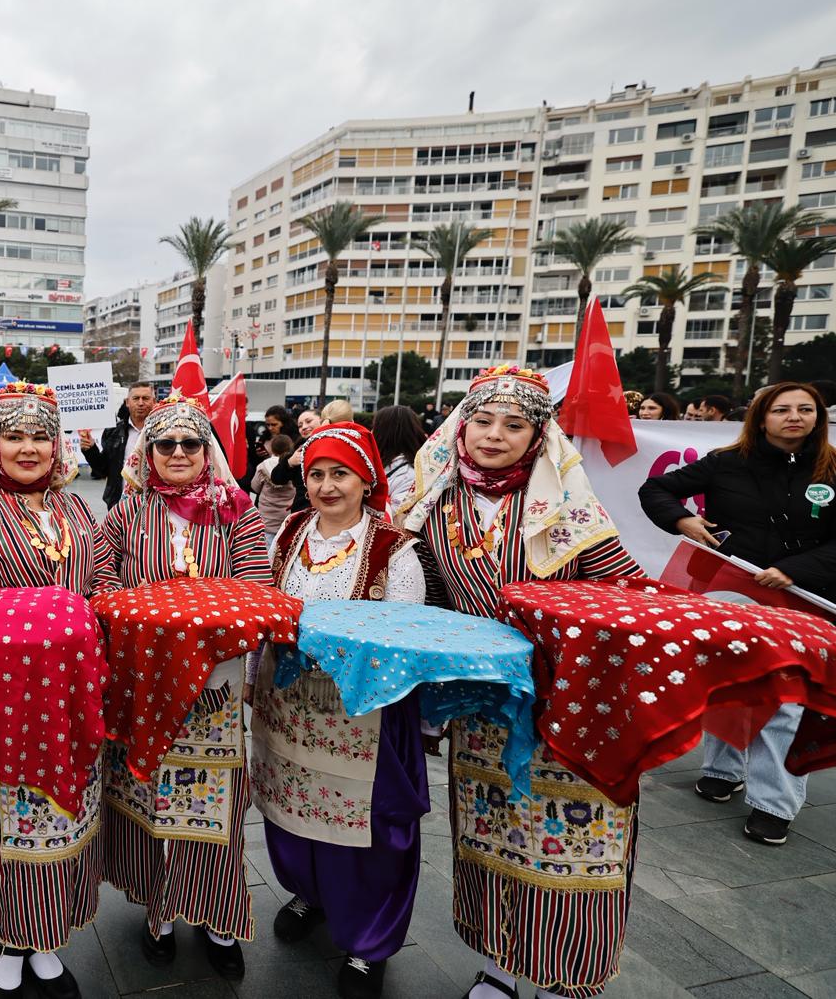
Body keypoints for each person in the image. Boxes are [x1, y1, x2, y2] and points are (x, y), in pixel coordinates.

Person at [402, 364, 643, 999]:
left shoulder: (568, 505)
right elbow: (426, 592)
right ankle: (501, 966)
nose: (493, 435)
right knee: (491, 828)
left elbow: (623, 595)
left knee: (574, 837)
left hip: (569, 700)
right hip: (483, 698)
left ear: (538, 437)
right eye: (481, 420)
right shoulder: (440, 500)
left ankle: (567, 977)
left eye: (513, 425)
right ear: (461, 424)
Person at [94, 392, 270, 982]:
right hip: (143, 677)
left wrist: (222, 644)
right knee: (149, 796)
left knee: (215, 801)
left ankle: (219, 920)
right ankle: (160, 914)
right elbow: (101, 580)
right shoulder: (125, 512)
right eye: (163, 444)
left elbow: (256, 588)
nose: (175, 453)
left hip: (215, 683)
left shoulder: (237, 511)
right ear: (147, 451)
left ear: (207, 451)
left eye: (189, 443)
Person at [0, 381, 103, 999]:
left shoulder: (77, 509)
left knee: (68, 823)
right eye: (14, 436)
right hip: (7, 704)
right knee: (20, 823)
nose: (28, 448)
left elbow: (101, 586)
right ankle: (9, 937)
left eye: (40, 436)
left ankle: (44, 939)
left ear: (56, 445)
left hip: (73, 695)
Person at [254, 422, 430, 999]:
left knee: (369, 827)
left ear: (367, 480)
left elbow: (401, 635)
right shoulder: (291, 531)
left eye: (341, 474)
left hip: (364, 709)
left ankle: (369, 941)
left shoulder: (394, 548)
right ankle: (313, 894)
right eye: (317, 475)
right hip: (292, 703)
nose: (327, 487)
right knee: (295, 807)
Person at [638, 380, 836, 846]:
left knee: (787, 701)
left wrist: (792, 570)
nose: (794, 417)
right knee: (726, 682)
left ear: (819, 416)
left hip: (805, 599)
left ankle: (774, 804)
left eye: (805, 409)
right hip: (732, 590)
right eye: (782, 409)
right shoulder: (726, 463)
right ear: (761, 417)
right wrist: (682, 519)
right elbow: (656, 489)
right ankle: (720, 770)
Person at [80, 380, 156, 509]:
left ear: (154, 402)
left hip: (154, 506)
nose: (141, 403)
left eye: (146, 398)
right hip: (119, 506)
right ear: (127, 402)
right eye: (136, 398)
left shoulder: (163, 431)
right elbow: (102, 469)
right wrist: (90, 449)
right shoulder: (113, 431)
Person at [370, 405, 427, 514]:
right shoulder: (380, 462)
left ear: (385, 434)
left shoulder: (410, 476)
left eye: (374, 427)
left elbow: (395, 518)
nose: (371, 432)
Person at [251, 432, 297, 533]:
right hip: (287, 516)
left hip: (267, 518)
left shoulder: (263, 466)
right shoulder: (294, 466)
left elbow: (254, 487)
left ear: (271, 449)